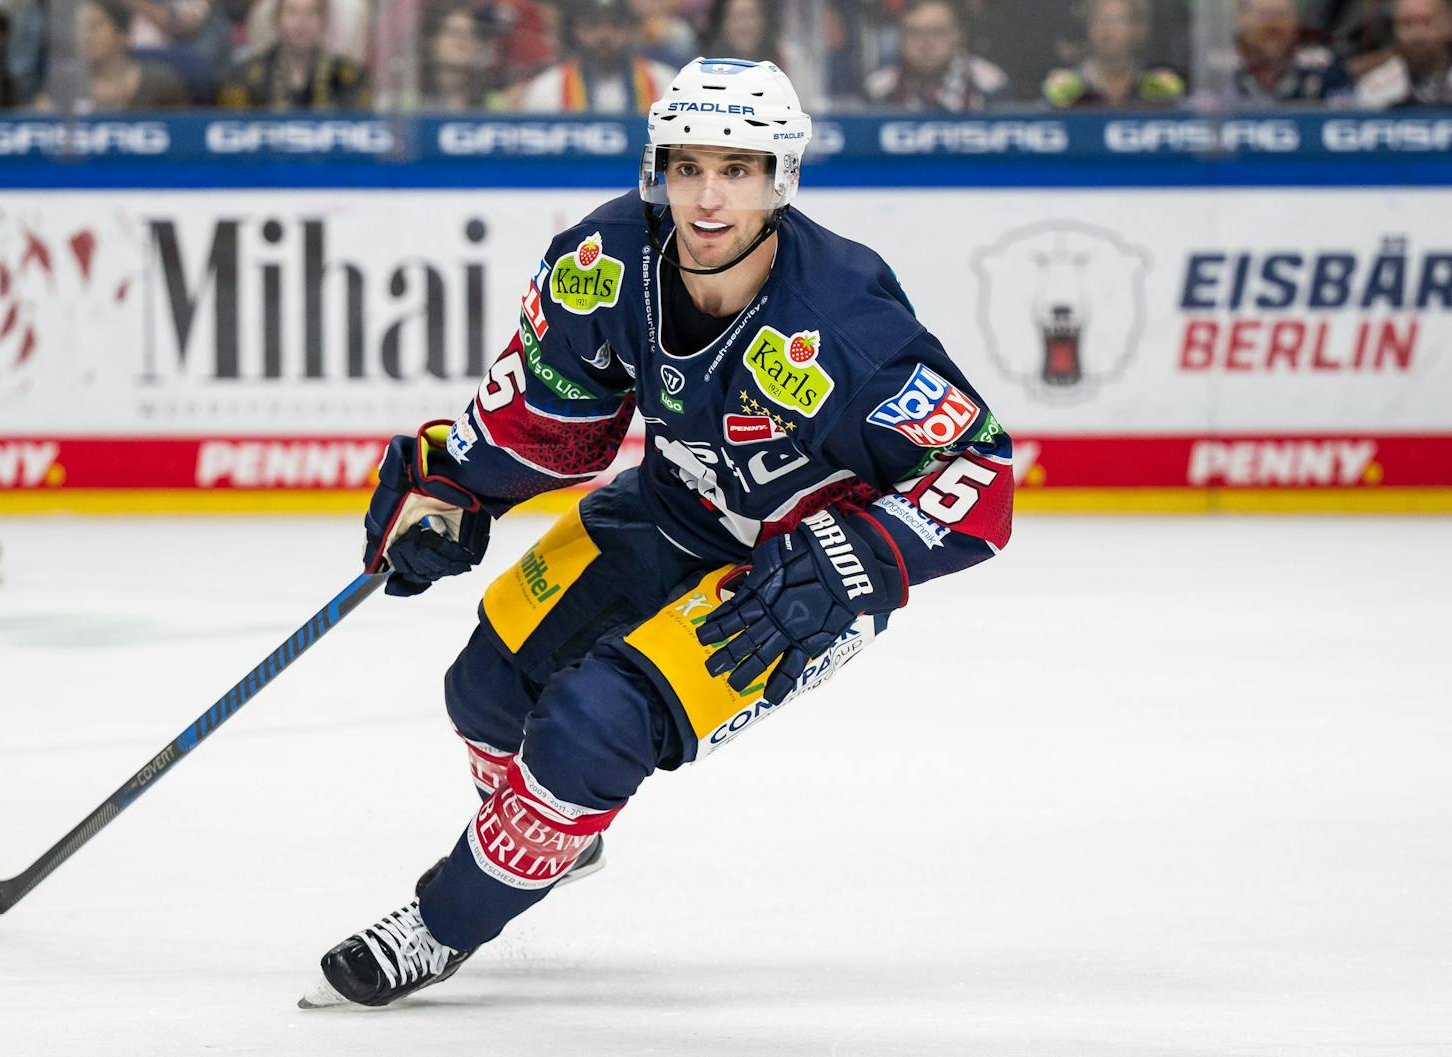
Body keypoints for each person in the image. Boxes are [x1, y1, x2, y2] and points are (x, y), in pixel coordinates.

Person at [301, 56, 1015, 1009]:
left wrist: (858, 560)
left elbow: (979, 475)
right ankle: (551, 833)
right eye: (689, 167)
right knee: (484, 685)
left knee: (591, 725)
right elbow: (545, 413)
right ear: (658, 168)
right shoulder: (605, 260)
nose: (709, 198)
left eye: (738, 170)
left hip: (786, 580)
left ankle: (444, 922)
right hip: (667, 508)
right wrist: (453, 486)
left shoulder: (844, 321)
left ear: (781, 180)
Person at [517, 0, 678, 112]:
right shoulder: (548, 87)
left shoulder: (665, 82)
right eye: (592, 25)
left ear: (631, 31)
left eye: (615, 25)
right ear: (576, 32)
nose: (604, 36)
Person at [216, 0, 369, 110]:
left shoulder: (349, 78)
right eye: (292, 13)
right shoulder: (244, 77)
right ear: (276, 19)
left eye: (311, 13)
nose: (301, 24)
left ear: (323, 21)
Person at [864, 0, 1009, 111]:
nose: (926, 44)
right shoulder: (877, 90)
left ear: (958, 35)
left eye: (937, 32)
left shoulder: (990, 85)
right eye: (914, 33)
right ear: (900, 37)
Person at [1042, 0, 1184, 108]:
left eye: (1117, 21)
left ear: (1138, 29)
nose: (1107, 30)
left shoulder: (1156, 87)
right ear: (1087, 27)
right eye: (1099, 20)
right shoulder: (1065, 88)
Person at [57, 0, 191, 112]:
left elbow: (183, 129)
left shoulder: (161, 85)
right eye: (79, 28)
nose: (85, 36)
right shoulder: (64, 85)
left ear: (123, 34)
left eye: (94, 26)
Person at [1355, 0, 1452, 106]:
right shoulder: (1373, 90)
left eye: (1427, 22)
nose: (1417, 35)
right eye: (1406, 23)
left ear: (1449, 26)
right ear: (1394, 30)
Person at [1235, 0, 1353, 103]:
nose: (1273, 25)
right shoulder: (1226, 70)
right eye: (1263, 15)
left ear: (1296, 22)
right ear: (1241, 21)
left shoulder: (1324, 66)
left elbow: (1342, 112)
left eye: (1281, 15)